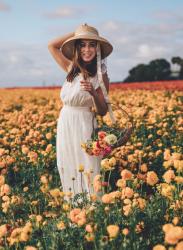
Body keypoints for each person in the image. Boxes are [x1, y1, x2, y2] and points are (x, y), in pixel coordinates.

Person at [48, 23, 113, 198]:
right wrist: (77, 32)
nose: (87, 49)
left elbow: (102, 111)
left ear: (98, 48)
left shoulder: (101, 75)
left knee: (88, 167)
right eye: (82, 44)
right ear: (77, 47)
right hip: (66, 122)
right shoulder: (71, 69)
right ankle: (73, 212)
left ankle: (92, 211)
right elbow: (52, 45)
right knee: (67, 163)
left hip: (84, 124)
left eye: (92, 44)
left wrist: (93, 93)